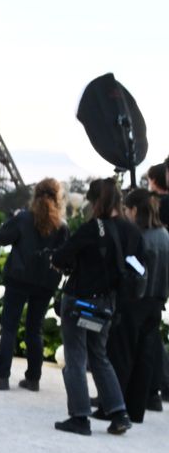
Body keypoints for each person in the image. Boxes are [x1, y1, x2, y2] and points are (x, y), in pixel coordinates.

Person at [51, 177, 137, 436]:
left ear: (95, 201)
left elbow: (62, 256)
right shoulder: (128, 231)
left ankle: (79, 417)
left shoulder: (92, 229)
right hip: (107, 303)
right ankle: (119, 411)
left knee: (76, 357)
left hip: (80, 300)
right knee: (99, 355)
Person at [0, 178, 67, 392]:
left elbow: (2, 238)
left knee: (10, 327)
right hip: (45, 283)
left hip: (18, 279)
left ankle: (1, 376)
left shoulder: (23, 218)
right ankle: (33, 378)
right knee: (34, 329)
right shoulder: (61, 226)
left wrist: (12, 220)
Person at [109, 189, 169, 424]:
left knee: (123, 353)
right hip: (156, 301)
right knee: (145, 356)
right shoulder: (164, 236)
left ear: (134, 210)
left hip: (136, 301)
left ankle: (116, 403)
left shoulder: (140, 238)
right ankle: (136, 408)